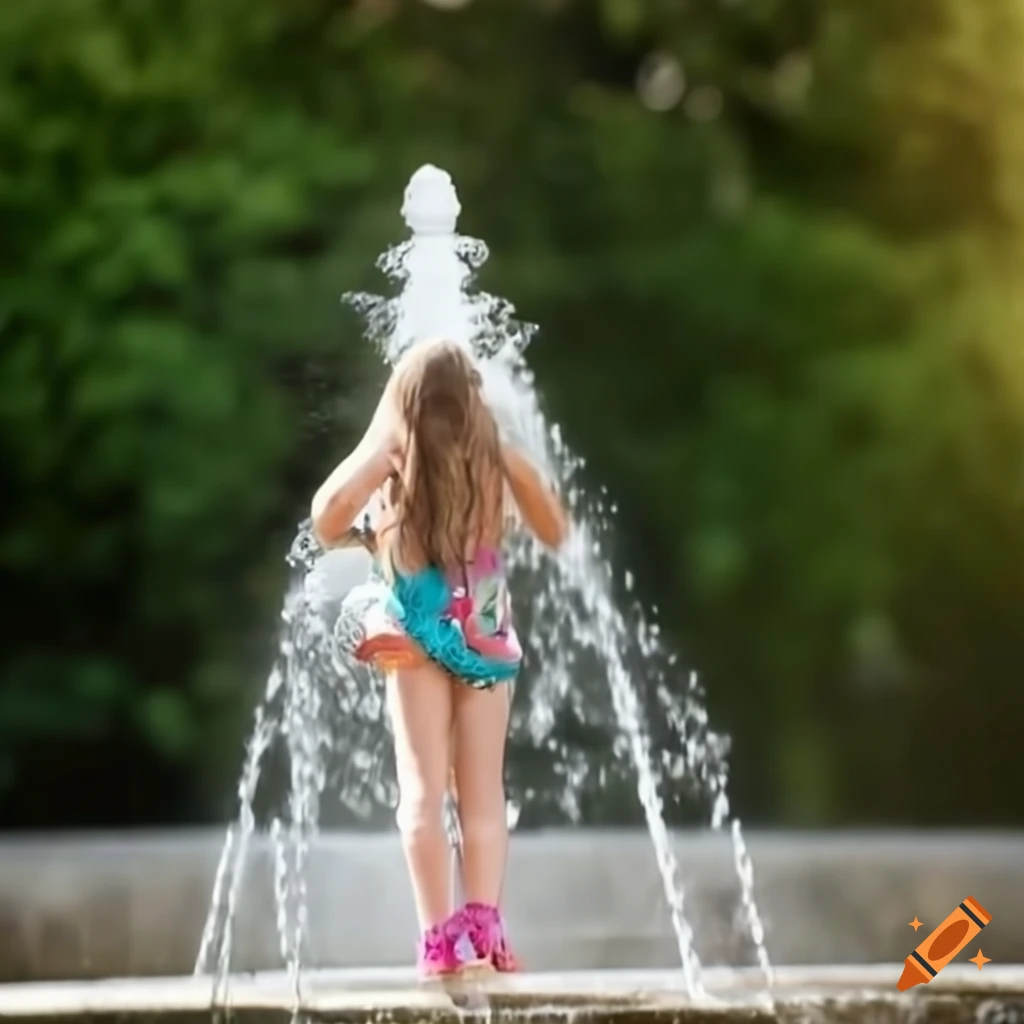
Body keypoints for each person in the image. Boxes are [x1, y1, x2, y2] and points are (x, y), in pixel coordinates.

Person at [311, 339, 568, 977]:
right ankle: (484, 925)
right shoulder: (492, 457)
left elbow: (325, 520)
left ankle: (436, 939)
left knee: (423, 793)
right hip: (483, 626)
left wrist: (378, 468)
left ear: (404, 401)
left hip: (415, 628)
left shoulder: (395, 458)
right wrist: (509, 459)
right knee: (483, 795)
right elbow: (554, 528)